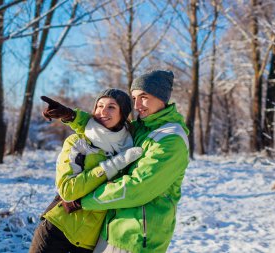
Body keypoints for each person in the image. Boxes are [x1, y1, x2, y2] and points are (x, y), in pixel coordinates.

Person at [44, 70, 190, 253]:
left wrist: (83, 201)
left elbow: (137, 188)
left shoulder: (171, 139)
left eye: (143, 97)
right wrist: (71, 116)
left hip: (137, 236)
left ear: (161, 97)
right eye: (135, 98)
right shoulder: (142, 128)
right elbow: (106, 127)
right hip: (110, 230)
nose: (137, 105)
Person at [29, 88, 143, 253]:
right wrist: (113, 165)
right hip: (57, 231)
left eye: (111, 107)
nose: (103, 111)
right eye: (99, 106)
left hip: (91, 242)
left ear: (123, 114)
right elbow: (68, 191)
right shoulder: (78, 142)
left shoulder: (130, 145)